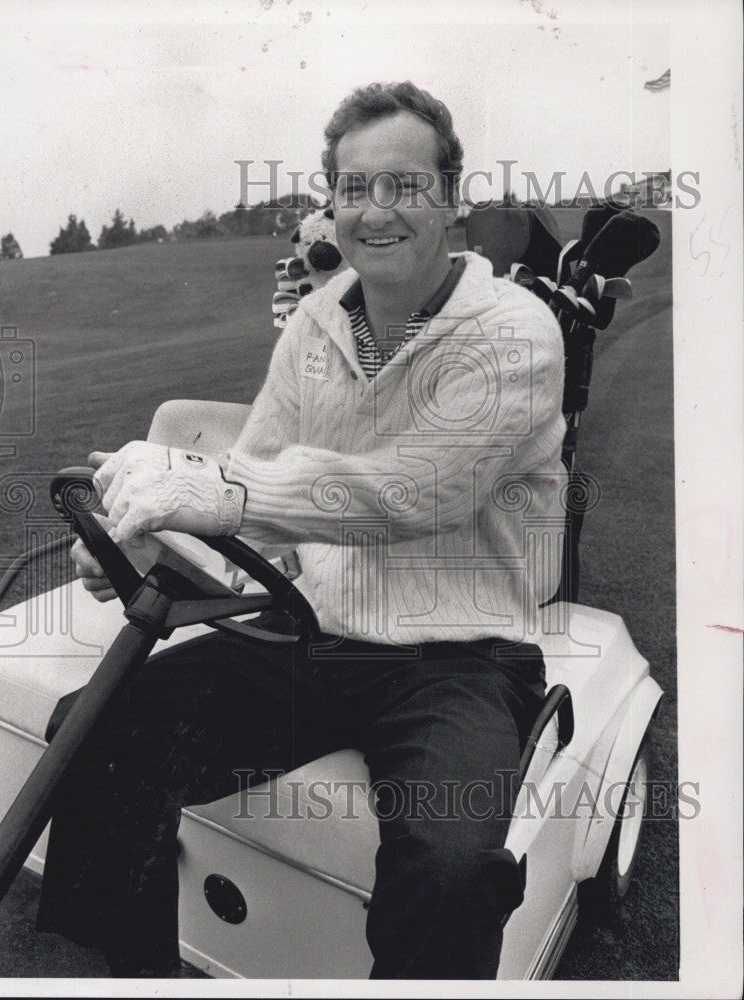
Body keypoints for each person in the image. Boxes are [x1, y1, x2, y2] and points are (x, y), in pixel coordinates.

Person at [36, 81, 567, 979]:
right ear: (332, 203)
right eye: (354, 188)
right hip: (309, 631)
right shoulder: (315, 328)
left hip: (460, 654)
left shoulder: (514, 331)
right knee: (91, 733)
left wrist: (210, 489)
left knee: (448, 867)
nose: (376, 210)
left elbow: (412, 491)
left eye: (404, 185)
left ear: (452, 196)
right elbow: (266, 489)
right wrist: (143, 539)